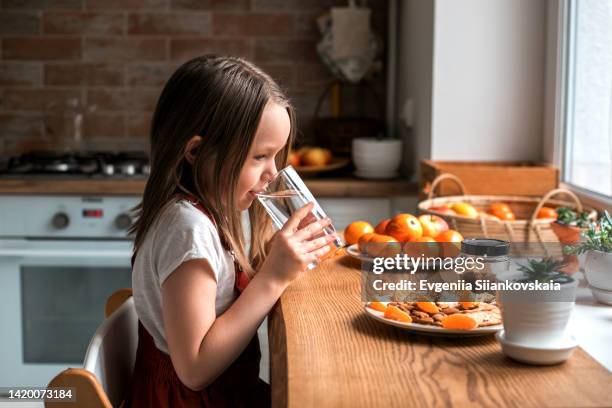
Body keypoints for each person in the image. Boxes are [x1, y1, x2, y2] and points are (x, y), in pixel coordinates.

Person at [126, 55, 337, 407]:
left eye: (277, 156)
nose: (272, 173)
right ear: (197, 151)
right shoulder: (186, 230)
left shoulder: (208, 213)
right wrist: (272, 278)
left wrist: (277, 259)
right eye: (259, 157)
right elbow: (194, 369)